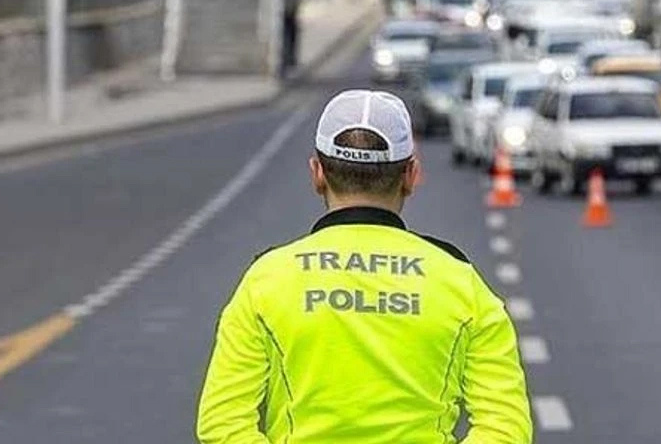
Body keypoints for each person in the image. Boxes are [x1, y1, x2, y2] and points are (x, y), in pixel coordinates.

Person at [196, 90, 532, 443]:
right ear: (411, 176)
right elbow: (506, 428)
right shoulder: (461, 283)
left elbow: (222, 423)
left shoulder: (267, 280)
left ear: (317, 173)